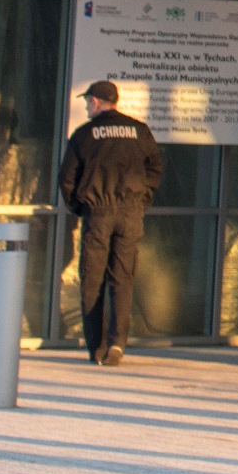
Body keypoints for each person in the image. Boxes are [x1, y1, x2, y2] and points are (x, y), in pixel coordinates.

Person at [55, 81, 162, 366]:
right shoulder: (139, 131)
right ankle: (117, 344)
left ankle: (97, 347)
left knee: (92, 280)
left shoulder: (85, 134)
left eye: (87, 102)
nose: (86, 107)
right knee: (122, 279)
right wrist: (142, 200)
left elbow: (67, 178)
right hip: (130, 214)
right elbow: (155, 168)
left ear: (96, 101)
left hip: (98, 213)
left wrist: (80, 207)